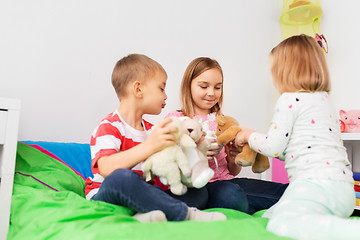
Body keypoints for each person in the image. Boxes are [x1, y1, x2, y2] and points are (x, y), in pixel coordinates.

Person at [235, 34, 360, 239]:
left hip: (316, 186)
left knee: (279, 225)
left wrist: (248, 135)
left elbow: (272, 147)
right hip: (344, 192)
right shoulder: (324, 101)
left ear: (284, 72)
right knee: (270, 214)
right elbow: (294, 151)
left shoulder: (288, 100)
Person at [84, 54, 227, 223]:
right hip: (106, 196)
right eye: (161, 88)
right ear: (138, 89)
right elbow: (107, 168)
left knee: (197, 193)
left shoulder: (153, 130)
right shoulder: (109, 126)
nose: (165, 96)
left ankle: (142, 217)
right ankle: (187, 214)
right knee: (122, 178)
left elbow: (165, 167)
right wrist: (151, 146)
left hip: (141, 198)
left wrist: (193, 149)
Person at [165, 57, 288, 214]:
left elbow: (232, 171)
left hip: (227, 182)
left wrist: (233, 157)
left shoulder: (223, 122)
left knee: (284, 192)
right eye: (204, 86)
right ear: (188, 85)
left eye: (217, 87)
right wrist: (197, 153)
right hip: (195, 187)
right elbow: (168, 163)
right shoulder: (176, 119)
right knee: (232, 197)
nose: (211, 93)